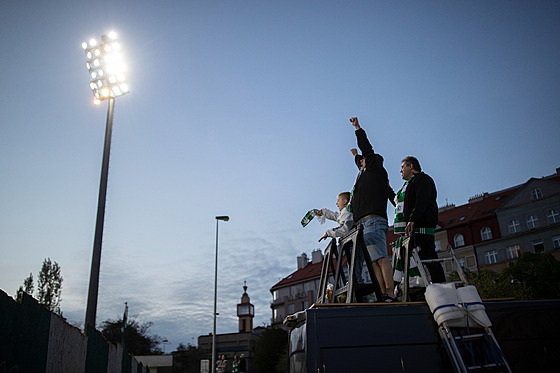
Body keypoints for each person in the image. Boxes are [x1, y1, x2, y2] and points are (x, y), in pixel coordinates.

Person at [349, 117, 397, 302]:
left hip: (373, 221)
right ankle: (382, 293)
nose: (361, 162)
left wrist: (357, 128)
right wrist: (354, 156)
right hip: (362, 224)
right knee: (374, 262)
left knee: (382, 258)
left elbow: (367, 149)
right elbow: (359, 162)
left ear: (371, 162)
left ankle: (390, 292)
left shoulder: (376, 170)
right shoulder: (365, 176)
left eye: (363, 161)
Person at [394, 156, 445, 283]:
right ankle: (417, 286)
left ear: (411, 166)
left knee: (429, 259)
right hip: (413, 229)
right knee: (415, 261)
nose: (400, 171)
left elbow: (422, 201)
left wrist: (412, 219)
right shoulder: (409, 185)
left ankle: (441, 288)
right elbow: (402, 205)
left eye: (402, 167)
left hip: (422, 227)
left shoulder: (423, 180)